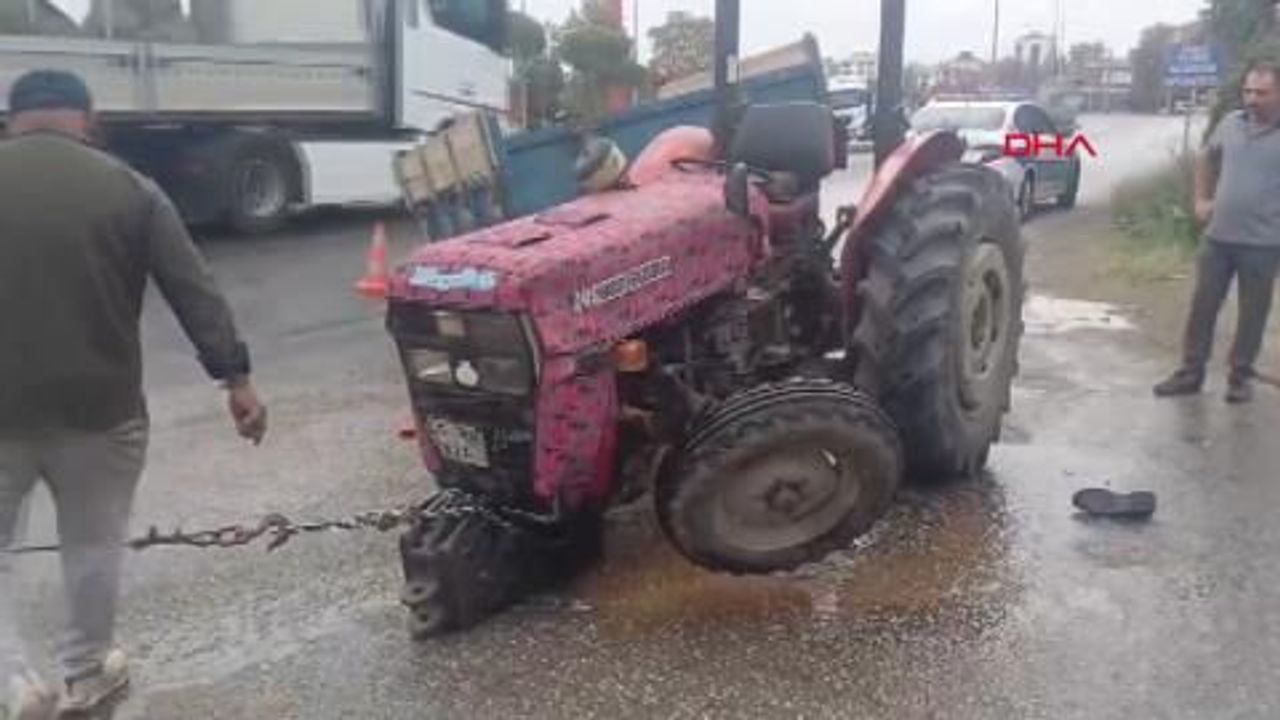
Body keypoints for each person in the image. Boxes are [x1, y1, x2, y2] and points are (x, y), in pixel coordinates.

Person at [0, 70, 267, 718]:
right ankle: (85, 674)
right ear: (88, 118)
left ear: (11, 118)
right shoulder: (130, 188)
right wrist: (235, 379)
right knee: (91, 548)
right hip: (101, 409)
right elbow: (193, 288)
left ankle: (12, 684)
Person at [1154, 58, 1280, 404]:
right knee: (1203, 307)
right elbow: (1207, 158)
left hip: (1264, 243)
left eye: (1262, 93)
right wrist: (1201, 199)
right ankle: (1190, 372)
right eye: (1248, 91)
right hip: (1218, 237)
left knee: (1253, 314)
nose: (1252, 100)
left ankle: (1240, 377)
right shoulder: (1230, 123)